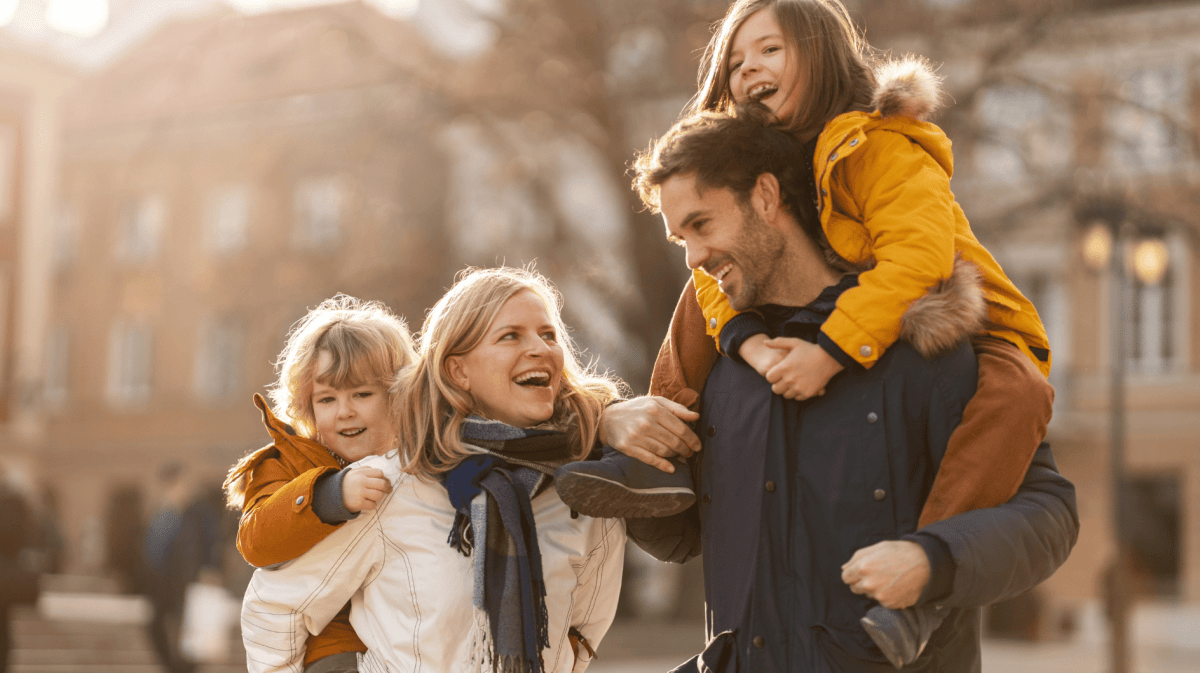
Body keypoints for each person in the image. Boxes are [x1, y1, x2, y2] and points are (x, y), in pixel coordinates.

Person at [556, 0, 1056, 664]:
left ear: (766, 197)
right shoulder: (760, 173)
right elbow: (712, 277)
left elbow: (917, 256)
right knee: (696, 300)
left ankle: (924, 591)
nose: (749, 70)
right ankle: (657, 462)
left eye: (769, 50)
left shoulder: (881, 149)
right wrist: (622, 413)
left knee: (1015, 392)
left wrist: (932, 558)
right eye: (735, 61)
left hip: (953, 318)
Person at [241, 267, 626, 673]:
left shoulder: (586, 489)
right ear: (458, 371)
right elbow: (272, 603)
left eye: (548, 335)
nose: (540, 348)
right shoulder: (388, 483)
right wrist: (330, 495)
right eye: (511, 335)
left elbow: (580, 631)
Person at [223, 295, 414, 673]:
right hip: (335, 644)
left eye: (362, 394)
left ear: (397, 397)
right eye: (327, 399)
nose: (345, 411)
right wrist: (329, 495)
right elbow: (257, 542)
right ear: (307, 407)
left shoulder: (419, 463)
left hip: (412, 636)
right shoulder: (288, 464)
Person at [143, 464, 222, 673]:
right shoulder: (165, 517)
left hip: (185, 592)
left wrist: (208, 570)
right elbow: (154, 557)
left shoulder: (193, 516)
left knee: (187, 651)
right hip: (168, 593)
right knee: (169, 643)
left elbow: (205, 549)